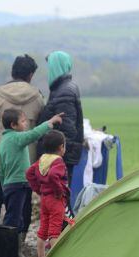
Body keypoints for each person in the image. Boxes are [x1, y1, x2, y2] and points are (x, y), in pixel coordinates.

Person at [0, 54, 45, 257]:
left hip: (0, 157)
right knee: (23, 204)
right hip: (25, 162)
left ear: (12, 71)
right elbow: (37, 127)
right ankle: (17, 246)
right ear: (30, 75)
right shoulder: (37, 96)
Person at [0, 109, 63, 257]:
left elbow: (1, 169)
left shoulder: (3, 142)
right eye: (23, 121)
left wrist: (3, 186)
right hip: (18, 184)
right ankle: (7, 256)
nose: (26, 123)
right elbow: (33, 134)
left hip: (11, 184)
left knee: (19, 217)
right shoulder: (16, 138)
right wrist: (50, 123)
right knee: (13, 219)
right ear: (13, 125)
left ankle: (16, 253)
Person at [37, 51, 83, 186]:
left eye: (50, 67)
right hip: (59, 156)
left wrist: (56, 157)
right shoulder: (62, 88)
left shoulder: (64, 92)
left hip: (60, 158)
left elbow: (67, 129)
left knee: (58, 196)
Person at [26, 130, 69, 257]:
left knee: (43, 229)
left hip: (44, 199)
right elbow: (53, 175)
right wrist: (58, 192)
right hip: (56, 200)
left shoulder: (42, 159)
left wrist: (38, 190)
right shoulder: (58, 162)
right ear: (61, 147)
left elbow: (29, 173)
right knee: (55, 230)